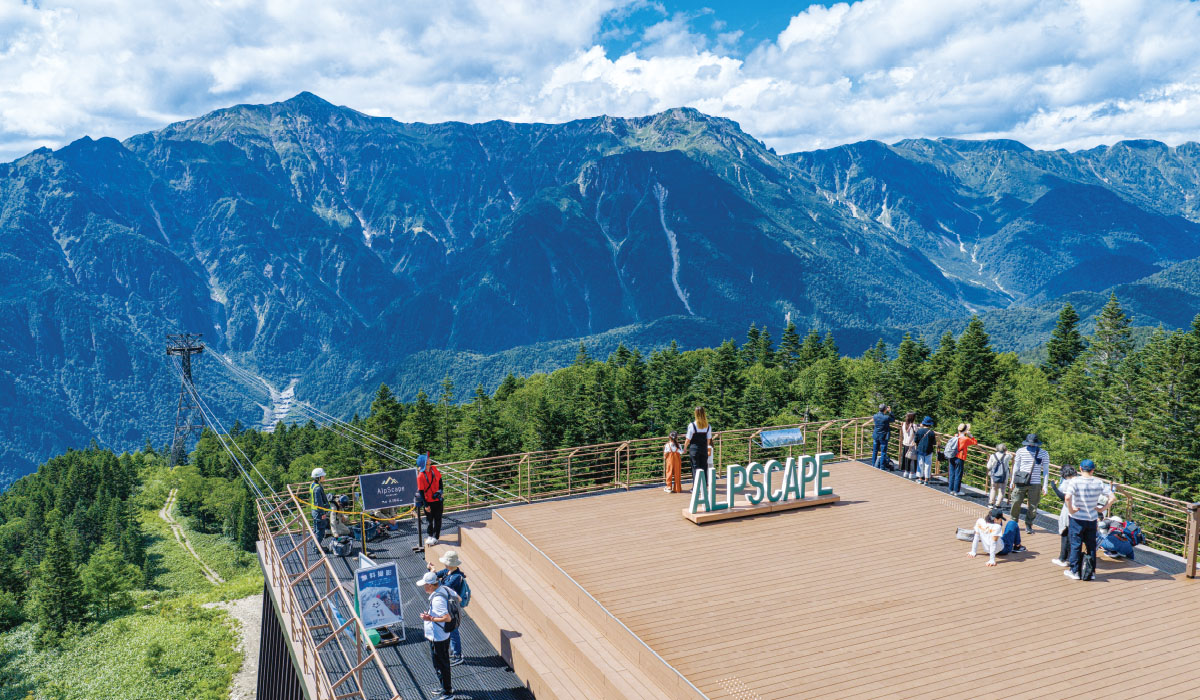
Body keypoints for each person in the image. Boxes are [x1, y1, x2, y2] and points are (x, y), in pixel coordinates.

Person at [1062, 459, 1113, 581]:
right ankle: (1091, 572)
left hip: (1077, 518)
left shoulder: (1074, 481)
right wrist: (1102, 509)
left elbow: (1067, 497)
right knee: (1091, 546)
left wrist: (1071, 510)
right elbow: (1112, 497)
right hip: (1092, 519)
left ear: (1080, 468)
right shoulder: (1098, 483)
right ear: (1093, 470)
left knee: (1076, 545)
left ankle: (1074, 571)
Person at [417, 571, 459, 699]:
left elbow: (447, 618)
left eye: (425, 585)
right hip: (442, 635)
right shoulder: (444, 589)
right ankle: (445, 687)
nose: (424, 587)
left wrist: (430, 618)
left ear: (430, 585)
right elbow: (459, 598)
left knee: (441, 664)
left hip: (438, 637)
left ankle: (447, 691)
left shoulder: (438, 599)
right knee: (441, 662)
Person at [429, 550, 468, 666]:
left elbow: (443, 588)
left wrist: (434, 572)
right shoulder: (448, 572)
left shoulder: (456, 576)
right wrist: (432, 572)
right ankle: (454, 651)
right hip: (447, 604)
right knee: (450, 628)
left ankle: (457, 654)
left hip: (452, 606)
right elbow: (435, 577)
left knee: (453, 629)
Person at [1009, 434, 1050, 534]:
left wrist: (1045, 485)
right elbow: (1016, 466)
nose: (1031, 446)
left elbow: (1046, 470)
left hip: (1035, 483)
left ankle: (1029, 524)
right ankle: (1014, 522)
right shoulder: (1020, 451)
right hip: (1021, 480)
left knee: (1033, 506)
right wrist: (1012, 481)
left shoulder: (1044, 453)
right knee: (1016, 502)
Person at [1048, 465, 1079, 567]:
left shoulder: (1068, 482)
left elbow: (1064, 497)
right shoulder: (1080, 480)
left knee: (1065, 533)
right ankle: (1070, 558)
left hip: (1069, 510)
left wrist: (1054, 487)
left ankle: (1063, 559)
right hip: (1080, 511)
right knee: (1073, 535)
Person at [683, 407, 713, 491]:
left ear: (695, 414)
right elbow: (709, 439)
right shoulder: (708, 426)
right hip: (704, 449)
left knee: (695, 468)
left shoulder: (692, 425)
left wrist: (685, 447)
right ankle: (704, 486)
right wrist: (706, 448)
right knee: (704, 467)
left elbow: (688, 439)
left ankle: (696, 488)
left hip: (694, 449)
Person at [418, 454, 444, 546]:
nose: (430, 459)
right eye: (428, 459)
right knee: (429, 520)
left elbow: (440, 480)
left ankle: (436, 537)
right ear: (425, 463)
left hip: (438, 499)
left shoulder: (434, 469)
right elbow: (421, 491)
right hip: (429, 501)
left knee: (438, 519)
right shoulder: (421, 476)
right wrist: (425, 505)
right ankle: (430, 535)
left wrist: (441, 491)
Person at [948, 423, 977, 496]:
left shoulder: (955, 436)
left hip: (952, 455)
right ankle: (956, 491)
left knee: (952, 473)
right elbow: (975, 442)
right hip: (960, 457)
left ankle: (951, 489)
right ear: (965, 430)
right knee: (958, 474)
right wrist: (971, 436)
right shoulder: (965, 439)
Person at [310, 467, 330, 551]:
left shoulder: (312, 485)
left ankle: (314, 544)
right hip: (319, 512)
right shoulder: (317, 488)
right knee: (320, 530)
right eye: (322, 476)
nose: (324, 477)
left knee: (316, 529)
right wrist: (323, 513)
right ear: (319, 477)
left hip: (314, 511)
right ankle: (317, 547)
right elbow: (319, 503)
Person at [914, 417, 936, 485]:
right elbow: (934, 443)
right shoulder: (931, 432)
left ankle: (920, 479)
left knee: (920, 464)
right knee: (928, 465)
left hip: (920, 449)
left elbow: (915, 440)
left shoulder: (919, 431)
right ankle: (926, 480)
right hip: (929, 450)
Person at [871, 405, 895, 470]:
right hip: (883, 436)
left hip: (876, 435)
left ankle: (873, 464)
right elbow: (893, 419)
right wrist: (890, 412)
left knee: (875, 451)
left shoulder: (875, 416)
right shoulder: (886, 417)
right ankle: (882, 467)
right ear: (885, 409)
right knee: (883, 452)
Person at [900, 412, 917, 478]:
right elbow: (916, 433)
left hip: (905, 443)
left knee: (906, 458)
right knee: (912, 459)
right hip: (912, 444)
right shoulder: (914, 426)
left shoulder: (904, 424)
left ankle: (906, 472)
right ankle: (912, 473)